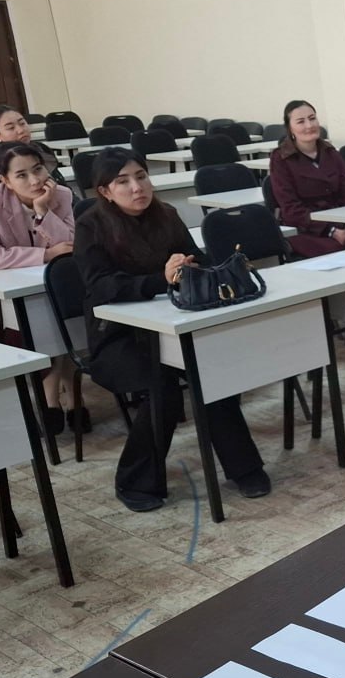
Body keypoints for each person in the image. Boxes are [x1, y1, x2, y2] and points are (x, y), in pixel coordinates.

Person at [73, 147, 270, 512]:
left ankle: (244, 468)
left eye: (141, 177)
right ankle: (135, 480)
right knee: (160, 387)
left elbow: (197, 258)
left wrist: (192, 266)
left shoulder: (166, 214)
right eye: (123, 181)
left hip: (172, 325)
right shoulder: (91, 226)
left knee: (209, 369)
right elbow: (100, 286)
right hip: (118, 336)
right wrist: (159, 280)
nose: (137, 187)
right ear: (104, 191)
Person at [0, 143, 83, 434]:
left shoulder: (61, 194)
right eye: (21, 175)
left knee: (64, 320)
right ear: (5, 180)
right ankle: (57, 397)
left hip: (51, 285)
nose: (35, 180)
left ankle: (63, 398)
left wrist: (43, 211)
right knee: (46, 324)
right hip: (2, 296)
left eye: (38, 169)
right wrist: (46, 254)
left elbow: (71, 246)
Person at [267, 100, 345, 259]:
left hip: (340, 222)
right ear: (290, 128)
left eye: (312, 118)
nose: (309, 125)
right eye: (301, 122)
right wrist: (331, 230)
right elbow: (290, 208)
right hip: (305, 228)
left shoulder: (331, 152)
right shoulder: (280, 158)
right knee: (339, 252)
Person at [0, 104, 69, 190]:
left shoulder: (41, 147)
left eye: (22, 123)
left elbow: (59, 182)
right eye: (11, 128)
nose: (21, 130)